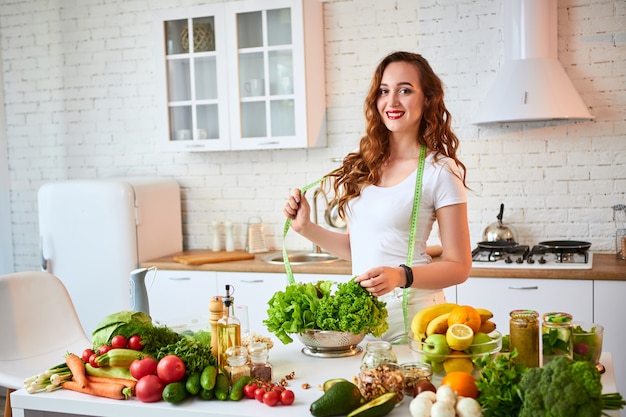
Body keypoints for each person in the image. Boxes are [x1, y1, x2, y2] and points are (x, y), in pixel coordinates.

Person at [283, 51, 472, 342]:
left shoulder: (440, 171)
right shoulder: (365, 166)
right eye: (384, 91)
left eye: (405, 90)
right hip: (364, 325)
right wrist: (305, 228)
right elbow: (358, 248)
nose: (392, 101)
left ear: (427, 99)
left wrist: (401, 276)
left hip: (417, 324)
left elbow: (460, 267)